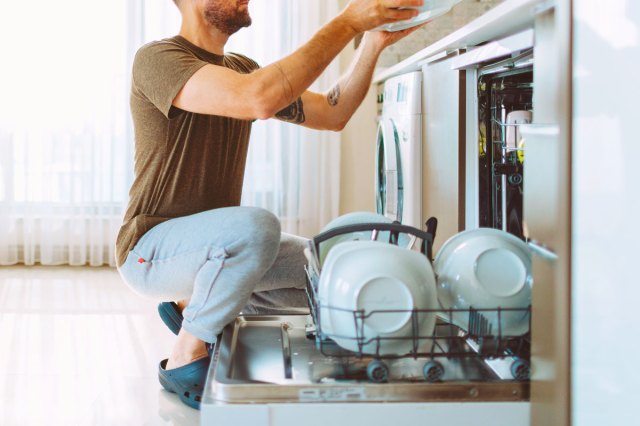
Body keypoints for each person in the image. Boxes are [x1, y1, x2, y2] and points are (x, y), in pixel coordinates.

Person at [116, 0, 425, 409]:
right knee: (258, 226)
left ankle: (194, 303)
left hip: (212, 251)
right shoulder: (158, 58)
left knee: (328, 272)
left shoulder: (242, 67)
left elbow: (333, 113)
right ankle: (184, 355)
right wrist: (348, 21)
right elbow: (257, 99)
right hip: (149, 250)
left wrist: (371, 43)